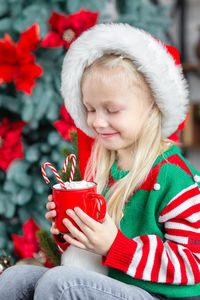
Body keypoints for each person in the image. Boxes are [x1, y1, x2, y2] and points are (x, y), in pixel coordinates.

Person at [1, 23, 200, 300]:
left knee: (62, 284)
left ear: (154, 105)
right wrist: (70, 232)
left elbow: (193, 265)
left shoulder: (174, 179)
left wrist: (115, 246)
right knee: (14, 279)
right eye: (90, 109)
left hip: (159, 295)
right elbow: (87, 262)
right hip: (109, 284)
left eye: (112, 109)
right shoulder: (99, 169)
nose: (96, 121)